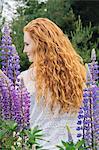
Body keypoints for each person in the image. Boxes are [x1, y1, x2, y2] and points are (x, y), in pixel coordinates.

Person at [18, 18, 86, 149]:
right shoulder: (79, 76)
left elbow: (12, 108)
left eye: (27, 45)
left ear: (40, 44)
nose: (24, 50)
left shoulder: (25, 79)